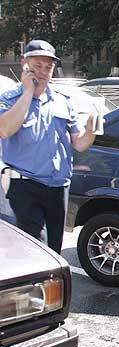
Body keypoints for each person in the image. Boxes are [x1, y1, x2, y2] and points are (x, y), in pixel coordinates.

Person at [0, 40, 98, 253]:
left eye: (48, 67)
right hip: (26, 186)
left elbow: (79, 144)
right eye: (37, 65)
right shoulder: (9, 99)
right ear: (24, 64)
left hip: (58, 186)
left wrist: (91, 129)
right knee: (36, 249)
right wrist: (27, 92)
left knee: (54, 251)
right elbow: (5, 130)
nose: (43, 72)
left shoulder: (63, 101)